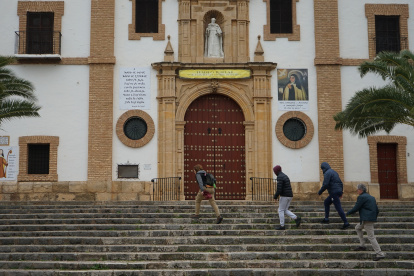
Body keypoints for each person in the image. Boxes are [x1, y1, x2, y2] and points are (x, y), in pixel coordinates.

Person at [346, 183, 386, 261]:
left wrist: (348, 212)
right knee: (357, 228)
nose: (357, 191)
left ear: (361, 190)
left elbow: (356, 207)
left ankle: (379, 253)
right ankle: (362, 245)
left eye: (358, 189)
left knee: (371, 237)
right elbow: (376, 209)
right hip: (368, 218)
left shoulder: (361, 197)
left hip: (367, 219)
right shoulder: (371, 197)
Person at [318, 162, 350, 229]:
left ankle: (346, 222)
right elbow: (341, 183)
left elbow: (325, 184)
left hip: (333, 192)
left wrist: (320, 191)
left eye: (322, 169)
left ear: (324, 168)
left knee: (338, 207)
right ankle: (326, 219)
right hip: (337, 191)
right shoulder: (334, 172)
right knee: (326, 202)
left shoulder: (327, 173)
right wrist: (341, 192)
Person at [273, 165, 301, 230]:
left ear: (276, 171)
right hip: (289, 195)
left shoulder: (280, 177)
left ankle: (282, 226)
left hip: (285, 196)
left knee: (280, 210)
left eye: (274, 171)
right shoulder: (284, 176)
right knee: (284, 210)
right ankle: (296, 218)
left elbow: (279, 189)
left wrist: (275, 196)